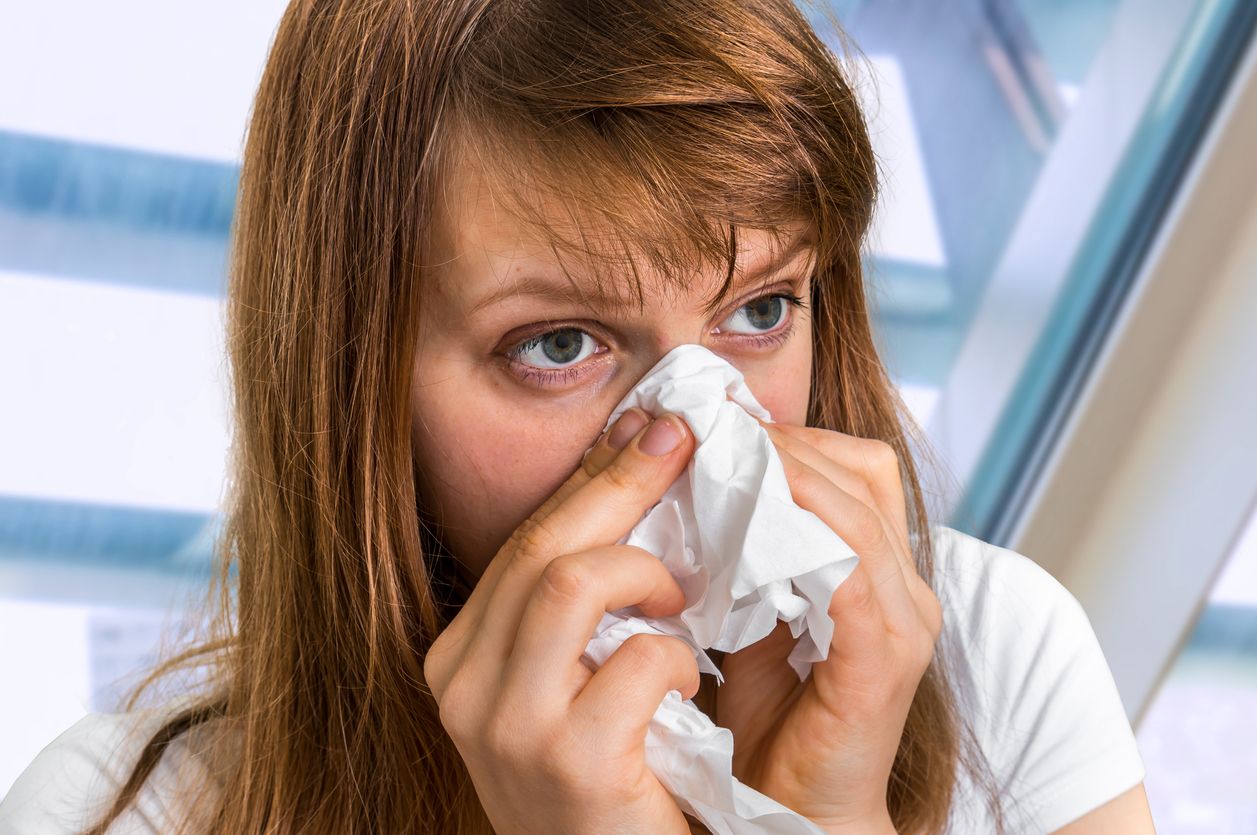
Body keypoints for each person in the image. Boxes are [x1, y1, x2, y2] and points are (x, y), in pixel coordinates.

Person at [0, 0, 1156, 832]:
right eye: (558, 345)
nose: (700, 440)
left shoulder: (995, 659)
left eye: (760, 309)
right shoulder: (125, 811)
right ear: (359, 388)